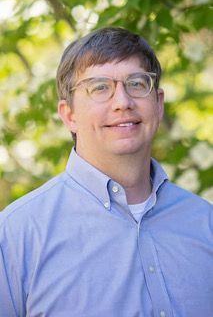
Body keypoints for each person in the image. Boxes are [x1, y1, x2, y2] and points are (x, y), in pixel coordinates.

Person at [0, 27, 212, 317]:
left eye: (137, 84)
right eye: (100, 87)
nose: (123, 102)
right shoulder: (15, 235)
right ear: (69, 115)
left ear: (159, 104)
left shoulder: (205, 223)